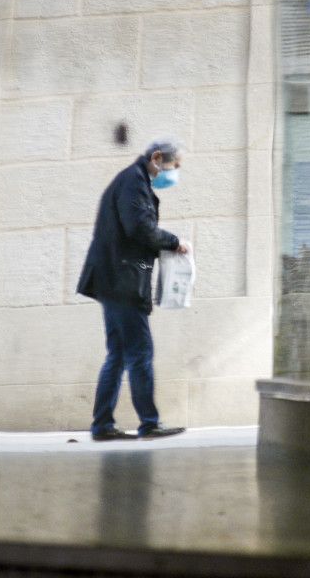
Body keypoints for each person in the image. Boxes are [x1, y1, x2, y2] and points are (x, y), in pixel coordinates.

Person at [77, 140, 189, 441]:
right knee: (140, 352)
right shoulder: (133, 181)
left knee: (118, 354)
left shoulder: (131, 180)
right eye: (173, 167)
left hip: (113, 279)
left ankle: (102, 426)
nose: (174, 174)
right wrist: (173, 241)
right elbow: (139, 227)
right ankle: (149, 424)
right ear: (156, 158)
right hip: (122, 280)